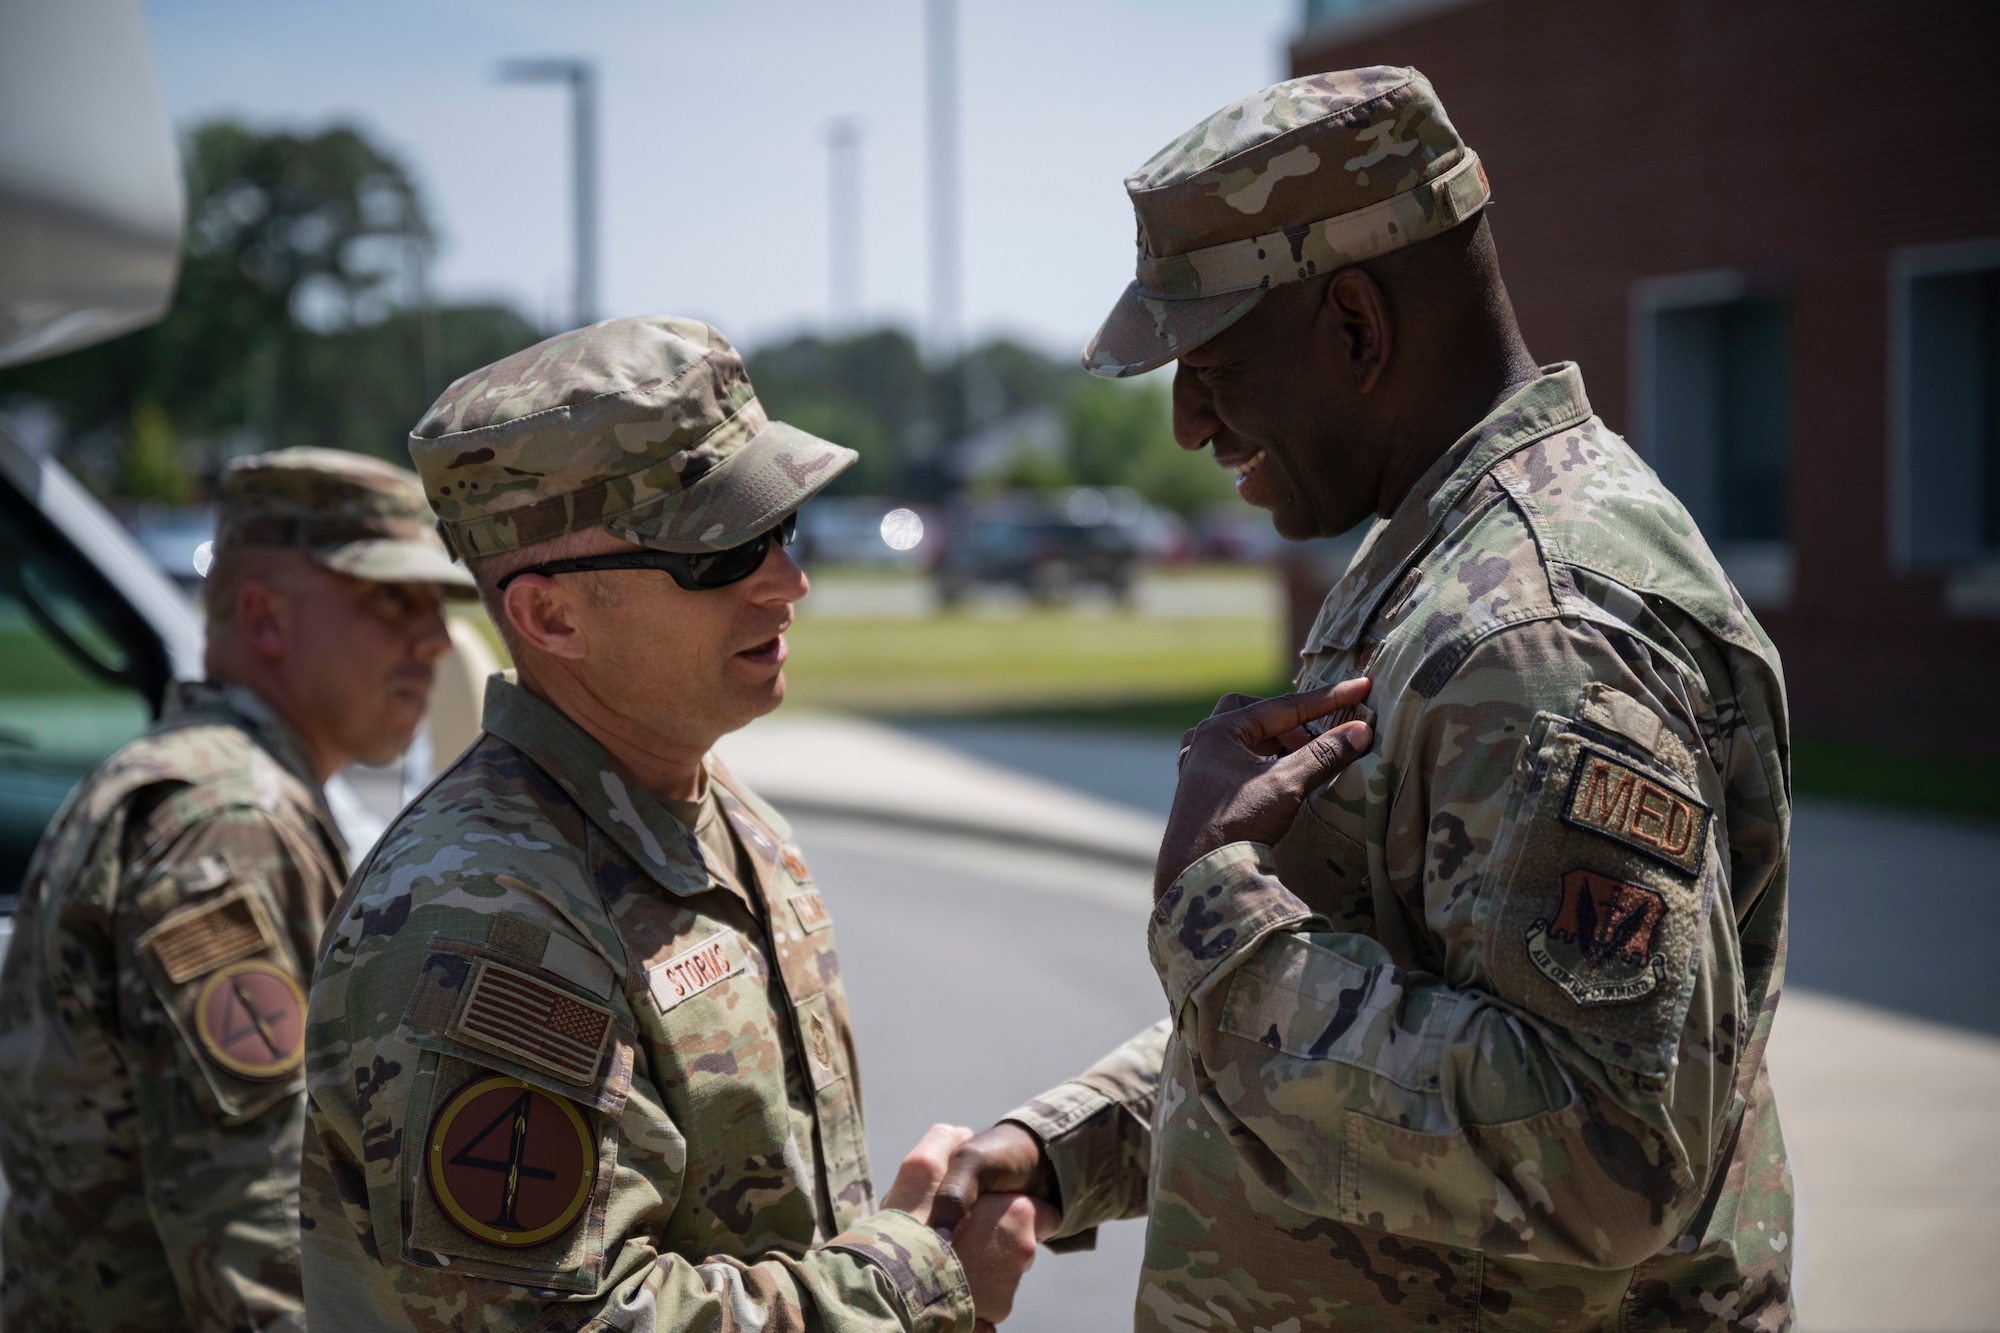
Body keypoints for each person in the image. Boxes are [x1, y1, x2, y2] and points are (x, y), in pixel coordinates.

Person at [934, 66, 1795, 1330]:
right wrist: (1067, 1146)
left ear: (1353, 325)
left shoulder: (1535, 635)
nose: (1184, 423)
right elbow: (1369, 985)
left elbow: (1600, 1155)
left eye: (1207, 361)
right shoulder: (1435, 565)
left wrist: (1214, 905)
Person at [299, 315, 1051, 1333]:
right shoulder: (483, 917)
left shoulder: (729, 815)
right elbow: (577, 1318)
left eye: (782, 526)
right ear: (551, 617)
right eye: (723, 550)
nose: (787, 580)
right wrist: (916, 1281)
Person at [0, 447, 473, 1330]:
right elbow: (260, 1232)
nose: (436, 640)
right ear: (263, 617)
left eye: (437, 604)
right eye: (390, 600)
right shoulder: (232, 823)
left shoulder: (202, 784)